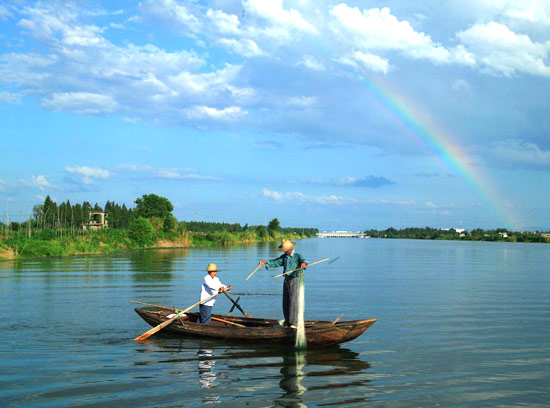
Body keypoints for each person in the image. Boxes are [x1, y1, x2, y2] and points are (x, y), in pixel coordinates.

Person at [258, 239, 307, 329]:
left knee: (293, 301)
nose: (285, 252)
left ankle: (293, 323)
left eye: (286, 250)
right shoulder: (284, 257)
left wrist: (304, 264)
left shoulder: (297, 256)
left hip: (294, 279)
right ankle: (287, 322)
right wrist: (265, 262)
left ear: (290, 249)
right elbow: (276, 262)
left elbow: (304, 261)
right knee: (285, 301)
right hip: (286, 280)